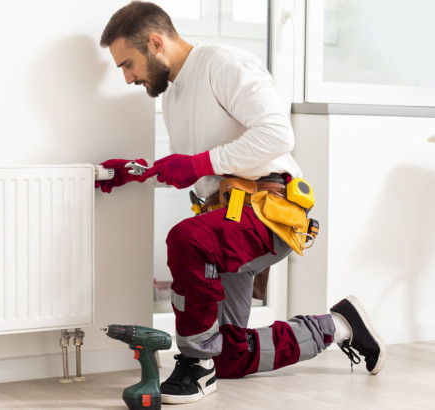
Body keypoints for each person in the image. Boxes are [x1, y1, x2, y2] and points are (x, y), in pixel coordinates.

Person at [97, 1, 386, 404]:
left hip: (268, 210)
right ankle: (339, 325)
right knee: (229, 355)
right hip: (224, 219)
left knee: (187, 239)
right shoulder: (174, 97)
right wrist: (137, 172)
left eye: (128, 64)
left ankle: (195, 365)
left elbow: (277, 134)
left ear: (156, 43)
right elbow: (202, 169)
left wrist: (197, 162)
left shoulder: (223, 63)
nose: (128, 77)